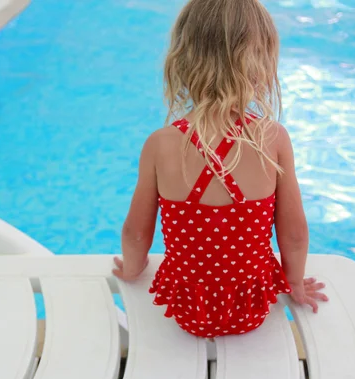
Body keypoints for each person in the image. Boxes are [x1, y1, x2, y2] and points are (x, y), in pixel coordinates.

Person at [112, 0, 328, 338]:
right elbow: (295, 233)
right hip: (252, 307)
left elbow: (137, 233)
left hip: (187, 309)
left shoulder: (160, 144)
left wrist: (131, 269)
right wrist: (296, 283)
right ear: (262, 62)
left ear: (182, 60)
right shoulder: (272, 139)